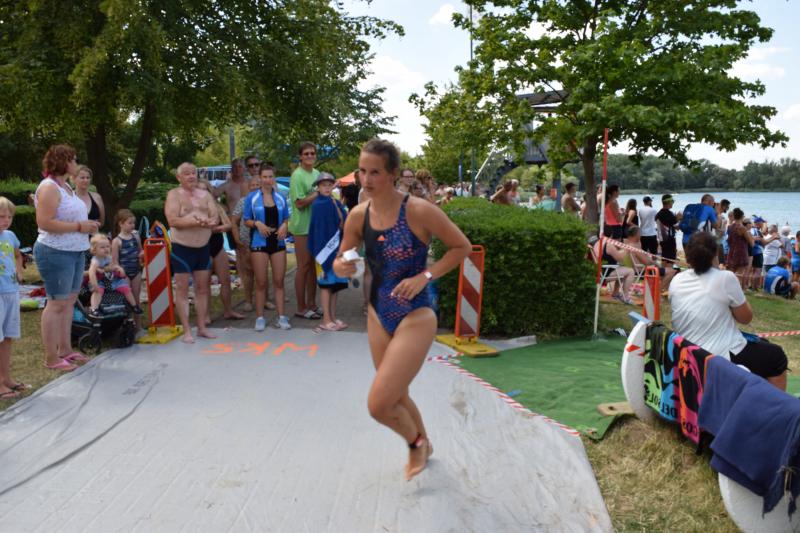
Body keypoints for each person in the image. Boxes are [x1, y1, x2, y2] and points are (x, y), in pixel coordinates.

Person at [333, 139, 471, 480]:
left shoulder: (419, 210)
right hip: (378, 313)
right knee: (396, 394)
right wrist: (342, 267)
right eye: (362, 171)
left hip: (416, 314)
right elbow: (341, 258)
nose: (366, 179)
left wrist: (425, 276)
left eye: (375, 172)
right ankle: (425, 444)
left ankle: (415, 444)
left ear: (393, 173)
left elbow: (461, 247)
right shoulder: (357, 215)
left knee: (379, 404)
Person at [670, 232, 787, 391]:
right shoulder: (725, 278)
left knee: (763, 346)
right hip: (717, 355)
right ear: (714, 255)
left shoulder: (677, 280)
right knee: (776, 357)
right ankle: (774, 405)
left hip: (688, 353)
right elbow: (746, 318)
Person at [34, 144, 100, 371]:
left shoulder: (66, 187)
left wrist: (87, 226)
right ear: (63, 162)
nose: (76, 164)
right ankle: (51, 357)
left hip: (75, 251)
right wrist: (80, 226)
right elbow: (45, 222)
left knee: (69, 302)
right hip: (55, 252)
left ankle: (65, 349)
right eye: (73, 160)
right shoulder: (49, 187)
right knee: (56, 303)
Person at [164, 162, 218, 343]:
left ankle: (202, 327)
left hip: (203, 247)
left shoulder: (205, 195)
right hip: (182, 248)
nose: (191, 176)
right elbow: (172, 220)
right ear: (179, 177)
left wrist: (210, 222)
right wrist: (196, 222)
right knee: (182, 289)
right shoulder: (174, 195)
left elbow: (215, 217)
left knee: (202, 288)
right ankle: (187, 330)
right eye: (186, 173)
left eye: (193, 173)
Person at [243, 164, 291, 331]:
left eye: (271, 177)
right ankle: (260, 317)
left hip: (278, 242)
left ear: (274, 178)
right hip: (259, 243)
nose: (268, 180)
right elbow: (246, 219)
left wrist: (284, 225)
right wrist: (257, 223)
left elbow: (286, 218)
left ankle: (281, 317)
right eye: (265, 177)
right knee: (261, 282)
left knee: (279, 281)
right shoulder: (252, 197)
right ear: (260, 178)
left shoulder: (280, 197)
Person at [197, 178, 244, 322]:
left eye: (205, 190)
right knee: (204, 284)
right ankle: (206, 315)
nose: (203, 193)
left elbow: (229, 224)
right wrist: (210, 229)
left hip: (218, 246)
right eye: (199, 190)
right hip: (202, 247)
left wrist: (215, 229)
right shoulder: (193, 208)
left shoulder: (216, 206)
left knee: (226, 280)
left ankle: (228, 311)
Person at [308, 173, 350, 333]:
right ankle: (326, 319)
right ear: (318, 187)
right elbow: (319, 231)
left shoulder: (335, 202)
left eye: (329, 185)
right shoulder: (318, 205)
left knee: (335, 286)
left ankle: (332, 317)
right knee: (326, 286)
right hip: (323, 252)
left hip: (337, 250)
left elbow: (344, 222)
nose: (326, 187)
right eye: (323, 185)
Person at [214, 158, 254, 308]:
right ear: (231, 169)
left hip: (250, 222)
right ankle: (245, 284)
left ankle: (259, 290)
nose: (237, 169)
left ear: (244, 168)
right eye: (235, 167)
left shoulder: (250, 183)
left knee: (254, 256)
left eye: (240, 166)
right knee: (240, 255)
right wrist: (223, 209)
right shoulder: (227, 185)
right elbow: (212, 195)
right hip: (234, 222)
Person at [289, 142, 321, 320]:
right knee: (303, 266)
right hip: (301, 227)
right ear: (300, 156)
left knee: (313, 267)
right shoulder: (297, 175)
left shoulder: (317, 174)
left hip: (315, 226)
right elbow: (300, 204)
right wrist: (318, 192)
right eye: (306, 153)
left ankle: (312, 304)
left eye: (312, 153)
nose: (310, 156)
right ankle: (301, 308)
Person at [0, 197, 25, 398]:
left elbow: (18, 255)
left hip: (11, 291)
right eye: (1, 216)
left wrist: (19, 270)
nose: (6, 220)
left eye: (9, 217)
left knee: (7, 337)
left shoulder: (10, 236)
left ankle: (6, 378)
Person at [87, 233, 142, 317]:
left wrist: (120, 269)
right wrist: (94, 284)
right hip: (100, 281)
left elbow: (114, 266)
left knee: (125, 288)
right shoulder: (95, 260)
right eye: (102, 247)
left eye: (107, 246)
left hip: (112, 280)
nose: (106, 249)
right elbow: (91, 272)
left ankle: (134, 305)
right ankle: (94, 308)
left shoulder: (108, 257)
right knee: (98, 291)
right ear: (94, 250)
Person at [230, 176, 263, 313]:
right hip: (246, 243)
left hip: (263, 242)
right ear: (249, 187)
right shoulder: (243, 201)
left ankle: (265, 300)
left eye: (257, 185)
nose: (255, 187)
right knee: (248, 273)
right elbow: (234, 221)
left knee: (262, 273)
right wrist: (237, 238)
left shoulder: (267, 200)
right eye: (252, 185)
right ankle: (248, 301)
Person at [111, 209, 144, 326]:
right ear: (121, 224)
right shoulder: (116, 241)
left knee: (136, 299)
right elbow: (114, 261)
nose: (132, 225)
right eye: (129, 223)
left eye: (133, 223)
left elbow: (140, 251)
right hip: (124, 274)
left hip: (136, 272)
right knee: (127, 300)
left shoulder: (136, 237)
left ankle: (138, 326)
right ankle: (128, 326)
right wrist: (120, 271)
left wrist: (142, 255)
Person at [593, 236, 636, 304]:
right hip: (604, 274)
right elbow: (620, 258)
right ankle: (625, 297)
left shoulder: (598, 243)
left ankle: (616, 293)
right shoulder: (608, 245)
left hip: (598, 271)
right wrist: (626, 250)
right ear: (611, 235)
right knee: (631, 271)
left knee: (623, 269)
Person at [726, 208, 753, 291]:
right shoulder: (742, 228)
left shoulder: (730, 227)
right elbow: (751, 243)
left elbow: (729, 240)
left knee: (731, 272)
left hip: (732, 250)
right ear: (742, 217)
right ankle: (736, 291)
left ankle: (728, 289)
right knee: (740, 273)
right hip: (741, 251)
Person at [655, 194, 679, 262]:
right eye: (672, 201)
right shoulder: (668, 214)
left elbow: (669, 224)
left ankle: (664, 269)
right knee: (670, 261)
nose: (673, 203)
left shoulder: (659, 214)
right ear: (668, 202)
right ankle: (667, 269)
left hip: (662, 240)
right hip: (669, 240)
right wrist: (678, 218)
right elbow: (675, 224)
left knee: (665, 259)